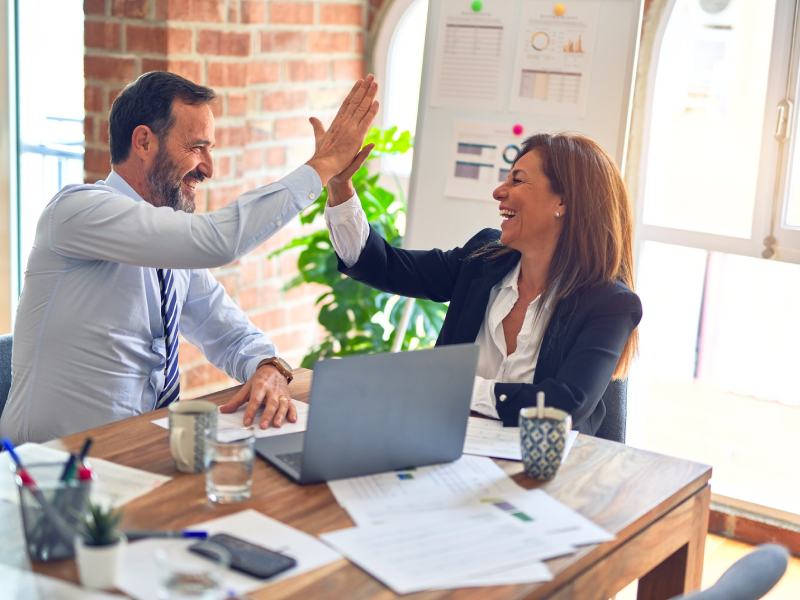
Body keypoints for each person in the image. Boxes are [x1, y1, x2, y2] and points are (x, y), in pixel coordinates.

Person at [0, 71, 378, 443]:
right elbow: (218, 241)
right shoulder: (77, 211)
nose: (208, 168)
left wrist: (268, 366)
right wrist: (323, 166)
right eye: (197, 147)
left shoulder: (169, 248)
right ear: (144, 142)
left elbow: (227, 331)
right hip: (48, 470)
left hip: (137, 454)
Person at [324, 133, 642, 435]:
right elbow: (384, 266)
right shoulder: (483, 260)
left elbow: (564, 406)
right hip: (446, 450)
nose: (499, 191)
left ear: (563, 202)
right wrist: (340, 186)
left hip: (545, 475)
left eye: (517, 180)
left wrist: (456, 387)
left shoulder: (610, 304)